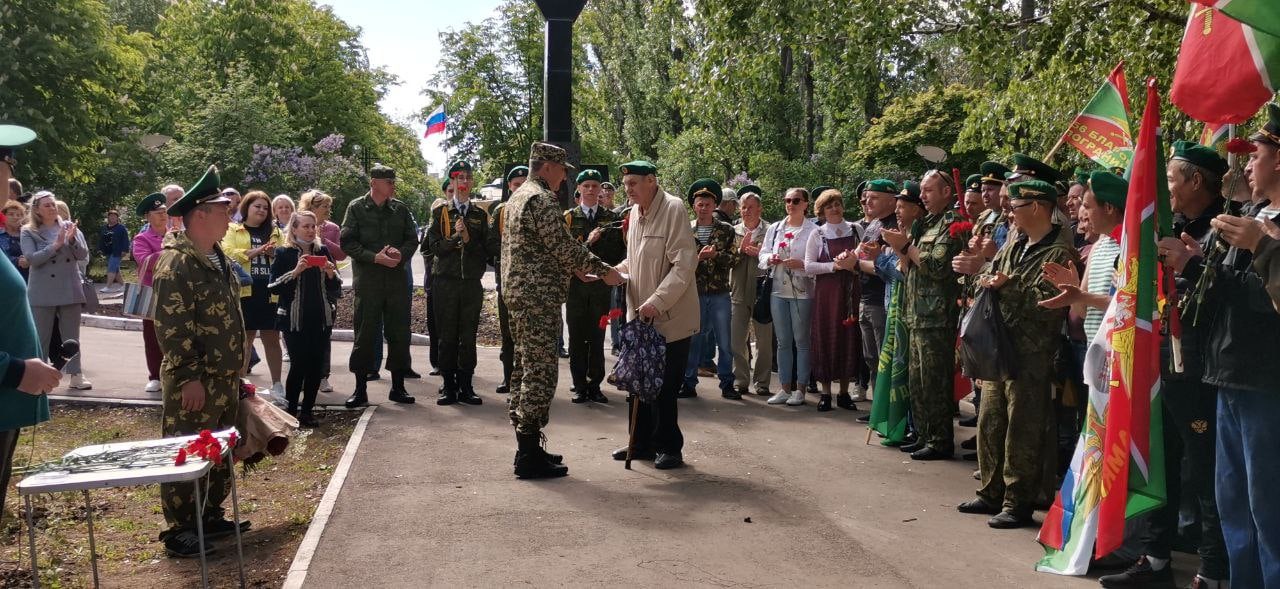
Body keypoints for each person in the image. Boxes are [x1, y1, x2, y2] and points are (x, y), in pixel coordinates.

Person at [1191, 102, 1280, 589]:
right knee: (1234, 501)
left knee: (1269, 504)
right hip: (1228, 370)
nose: (1247, 163)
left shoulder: (1265, 227)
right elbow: (1224, 291)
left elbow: (1269, 303)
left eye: (1257, 153)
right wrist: (1190, 264)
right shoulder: (1251, 213)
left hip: (1266, 378)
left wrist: (1259, 247)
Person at [951, 179, 1072, 528]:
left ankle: (1017, 501)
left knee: (1024, 427)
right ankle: (991, 491)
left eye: (1016, 207)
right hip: (999, 346)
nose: (1010, 213)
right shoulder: (1016, 243)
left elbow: (1047, 302)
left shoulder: (1058, 252)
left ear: (1036, 207)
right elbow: (984, 275)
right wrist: (990, 279)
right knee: (991, 419)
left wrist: (1007, 284)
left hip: (1032, 352)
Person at [502, 142, 621, 479]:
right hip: (536, 298)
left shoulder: (517, 197)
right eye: (563, 172)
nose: (564, 179)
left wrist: (572, 268)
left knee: (523, 369)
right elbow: (563, 245)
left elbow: (540, 249)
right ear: (548, 167)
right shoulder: (539, 199)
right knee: (540, 373)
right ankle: (527, 456)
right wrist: (605, 271)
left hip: (522, 295)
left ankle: (527, 447)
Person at [151, 165, 248, 557]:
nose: (230, 216)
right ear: (201, 214)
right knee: (188, 449)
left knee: (218, 450)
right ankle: (179, 529)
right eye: (224, 210)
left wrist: (236, 371)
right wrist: (189, 376)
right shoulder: (178, 262)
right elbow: (172, 326)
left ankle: (209, 515)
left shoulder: (215, 256)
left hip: (222, 378)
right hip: (196, 380)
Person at [609, 160, 698, 469]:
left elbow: (684, 265)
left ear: (651, 181)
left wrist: (657, 302)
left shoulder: (673, 209)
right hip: (639, 316)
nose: (627, 189)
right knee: (638, 381)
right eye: (626, 184)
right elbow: (634, 261)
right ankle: (640, 442)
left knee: (663, 386)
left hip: (668, 317)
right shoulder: (634, 213)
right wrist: (612, 272)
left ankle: (669, 447)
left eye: (633, 183)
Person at [881, 170, 965, 460]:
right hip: (916, 312)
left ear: (946, 192)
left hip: (937, 315)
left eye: (929, 191)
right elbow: (911, 265)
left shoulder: (951, 223)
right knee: (917, 380)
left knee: (934, 381)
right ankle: (923, 434)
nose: (923, 197)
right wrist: (903, 250)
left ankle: (940, 440)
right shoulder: (926, 223)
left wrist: (905, 246)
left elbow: (937, 266)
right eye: (923, 191)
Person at [341, 163, 418, 407]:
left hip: (395, 282)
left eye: (393, 182)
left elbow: (412, 239)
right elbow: (347, 242)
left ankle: (398, 387)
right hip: (369, 282)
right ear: (374, 183)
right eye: (389, 182)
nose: (393, 186)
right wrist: (374, 257)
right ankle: (360, 389)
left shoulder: (400, 209)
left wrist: (399, 255)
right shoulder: (356, 208)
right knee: (365, 334)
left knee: (399, 333)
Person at [425, 160, 494, 406]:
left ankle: (466, 384)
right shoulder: (440, 213)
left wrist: (468, 237)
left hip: (470, 284)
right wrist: (456, 237)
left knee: (468, 336)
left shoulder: (478, 214)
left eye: (467, 178)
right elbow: (433, 248)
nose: (464, 183)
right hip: (446, 282)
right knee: (447, 337)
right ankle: (448, 385)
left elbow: (488, 251)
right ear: (451, 182)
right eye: (459, 178)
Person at [269, 211, 341, 427]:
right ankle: (291, 412)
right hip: (293, 320)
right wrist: (296, 271)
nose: (310, 231)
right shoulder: (284, 253)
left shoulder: (323, 250)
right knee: (298, 365)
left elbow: (336, 288)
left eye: (313, 227)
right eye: (305, 226)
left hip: (320, 318)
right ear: (294, 229)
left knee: (315, 366)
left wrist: (330, 274)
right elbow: (272, 286)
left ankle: (307, 412)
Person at [564, 168, 626, 403]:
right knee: (578, 337)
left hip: (600, 288)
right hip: (576, 287)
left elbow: (616, 253)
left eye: (594, 186)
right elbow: (563, 253)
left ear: (601, 190)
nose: (590, 190)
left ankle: (595, 384)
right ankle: (579, 385)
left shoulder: (610, 219)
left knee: (598, 336)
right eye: (586, 186)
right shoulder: (569, 218)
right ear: (578, 189)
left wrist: (604, 274)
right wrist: (583, 255)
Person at [21, 190, 91, 390]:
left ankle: (76, 374)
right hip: (42, 290)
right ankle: (39, 377)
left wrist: (71, 240)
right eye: (47, 205)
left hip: (70, 288)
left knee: (72, 336)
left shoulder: (70, 227)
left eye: (53, 204)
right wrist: (56, 244)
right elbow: (32, 259)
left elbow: (83, 254)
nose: (52, 208)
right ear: (37, 210)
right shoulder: (28, 231)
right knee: (41, 336)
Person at [221, 191, 286, 402]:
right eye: (257, 206)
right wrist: (257, 251)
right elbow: (228, 252)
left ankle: (277, 384)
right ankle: (241, 385)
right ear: (246, 207)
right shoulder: (233, 228)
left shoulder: (275, 231)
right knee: (245, 339)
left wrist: (274, 253)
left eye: (265, 208)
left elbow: (286, 254)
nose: (261, 210)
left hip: (269, 293)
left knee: (272, 338)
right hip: (245, 292)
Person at [805, 187, 864, 411]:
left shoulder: (856, 229)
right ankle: (826, 393)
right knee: (826, 337)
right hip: (827, 294)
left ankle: (844, 393)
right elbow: (809, 266)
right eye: (829, 206)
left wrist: (854, 264)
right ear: (821, 211)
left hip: (851, 290)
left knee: (848, 337)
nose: (834, 209)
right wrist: (834, 265)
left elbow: (865, 257)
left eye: (837, 204)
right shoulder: (817, 234)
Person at [760, 187, 817, 406]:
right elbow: (762, 254)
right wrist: (770, 259)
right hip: (777, 290)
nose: (790, 204)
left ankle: (800, 389)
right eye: (787, 200)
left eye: (795, 200)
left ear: (805, 204)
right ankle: (784, 388)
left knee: (801, 341)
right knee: (783, 342)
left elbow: (819, 260)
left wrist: (803, 265)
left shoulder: (813, 230)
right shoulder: (775, 228)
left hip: (802, 292)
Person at [681, 178, 738, 399]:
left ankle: (727, 384)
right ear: (694, 207)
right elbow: (679, 260)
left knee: (725, 341)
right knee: (693, 339)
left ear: (715, 206)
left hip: (719, 292)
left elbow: (734, 259)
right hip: (693, 292)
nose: (704, 208)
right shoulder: (686, 229)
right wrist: (698, 257)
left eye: (708, 204)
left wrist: (715, 255)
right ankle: (688, 382)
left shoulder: (726, 230)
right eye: (700, 204)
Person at [853, 180, 898, 404]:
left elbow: (888, 268)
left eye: (874, 197)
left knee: (884, 358)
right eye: (866, 197)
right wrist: (851, 259)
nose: (867, 201)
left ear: (892, 200)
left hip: (883, 300)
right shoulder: (872, 225)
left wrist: (856, 264)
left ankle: (887, 409)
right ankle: (877, 408)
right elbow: (861, 255)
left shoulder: (894, 227)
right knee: (871, 357)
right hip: (865, 298)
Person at [298, 189, 346, 394]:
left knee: (324, 332)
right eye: (324, 206)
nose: (328, 209)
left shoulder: (332, 228)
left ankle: (323, 376)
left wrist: (322, 241)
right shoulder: (296, 224)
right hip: (302, 284)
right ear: (311, 207)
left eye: (328, 205)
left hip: (327, 285)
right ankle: (302, 375)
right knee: (301, 332)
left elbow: (342, 254)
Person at [729, 184, 773, 397]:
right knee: (737, 340)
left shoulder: (771, 230)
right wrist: (740, 250)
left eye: (750, 207)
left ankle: (762, 382)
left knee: (764, 341)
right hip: (738, 290)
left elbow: (777, 259)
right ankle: (740, 380)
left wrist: (759, 254)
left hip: (762, 291)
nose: (746, 211)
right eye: (743, 207)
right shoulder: (732, 231)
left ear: (760, 209)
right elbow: (726, 259)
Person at [490, 166, 528, 395]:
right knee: (508, 335)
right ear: (509, 187)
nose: (520, 188)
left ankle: (526, 383)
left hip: (531, 287)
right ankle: (508, 378)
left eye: (524, 183)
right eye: (516, 184)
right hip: (506, 284)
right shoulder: (501, 211)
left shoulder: (535, 208)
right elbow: (491, 243)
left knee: (528, 337)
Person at [132, 193, 169, 394]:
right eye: (158, 212)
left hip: (175, 291)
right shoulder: (142, 238)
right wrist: (168, 251)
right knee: (152, 336)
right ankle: (155, 376)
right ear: (148, 216)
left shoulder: (176, 234)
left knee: (176, 334)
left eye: (164, 211)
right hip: (152, 292)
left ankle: (174, 374)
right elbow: (145, 261)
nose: (163, 215)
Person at [99, 209, 129, 292]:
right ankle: (123, 286)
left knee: (111, 267)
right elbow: (101, 239)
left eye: (114, 216)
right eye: (110, 216)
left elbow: (125, 240)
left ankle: (108, 287)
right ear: (108, 217)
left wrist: (125, 250)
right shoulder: (105, 227)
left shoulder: (121, 228)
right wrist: (101, 249)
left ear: (117, 218)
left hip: (117, 251)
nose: (112, 218)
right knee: (115, 269)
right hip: (108, 251)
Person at [1, 200, 28, 280]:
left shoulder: (29, 234)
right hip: (5, 278)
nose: (15, 217)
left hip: (28, 278)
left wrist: (30, 260)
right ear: (3, 216)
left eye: (19, 215)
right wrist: (17, 261)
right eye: (11, 214)